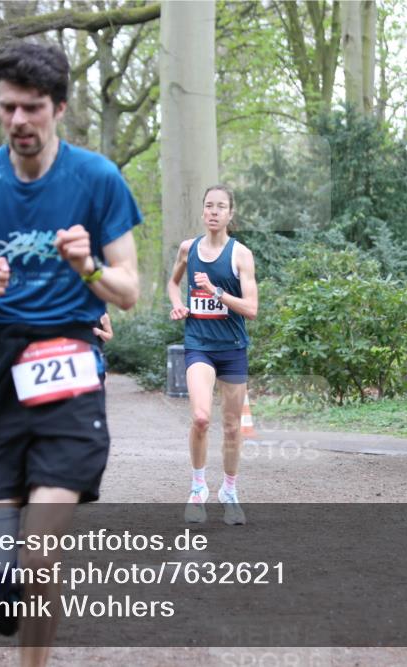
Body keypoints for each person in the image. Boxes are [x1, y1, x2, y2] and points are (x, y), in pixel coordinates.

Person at [0, 41, 141, 665]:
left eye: (32, 108)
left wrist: (86, 264)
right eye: (8, 108)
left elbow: (127, 292)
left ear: (60, 108)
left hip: (69, 369)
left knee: (41, 556)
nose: (18, 120)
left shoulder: (96, 178)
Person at [167, 184, 258, 526]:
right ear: (203, 212)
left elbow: (251, 308)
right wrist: (178, 305)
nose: (214, 211)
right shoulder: (188, 249)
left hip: (233, 350)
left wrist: (216, 292)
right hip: (199, 345)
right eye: (209, 206)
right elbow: (173, 284)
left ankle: (230, 492)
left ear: (230, 213)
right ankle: (197, 489)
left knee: (233, 427)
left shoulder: (241, 255)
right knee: (202, 418)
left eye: (221, 206)